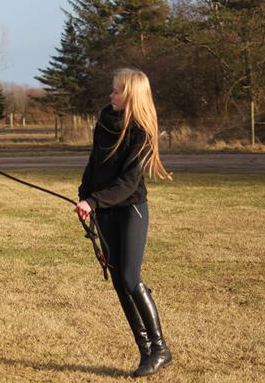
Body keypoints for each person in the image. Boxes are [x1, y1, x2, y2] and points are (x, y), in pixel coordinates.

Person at [76, 68, 172, 377]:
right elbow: (94, 163)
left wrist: (94, 200)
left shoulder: (141, 132)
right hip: (104, 211)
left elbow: (129, 183)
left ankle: (160, 348)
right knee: (118, 282)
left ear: (130, 96)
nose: (111, 95)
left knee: (131, 278)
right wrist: (84, 195)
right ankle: (146, 353)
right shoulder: (105, 120)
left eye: (116, 91)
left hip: (131, 211)